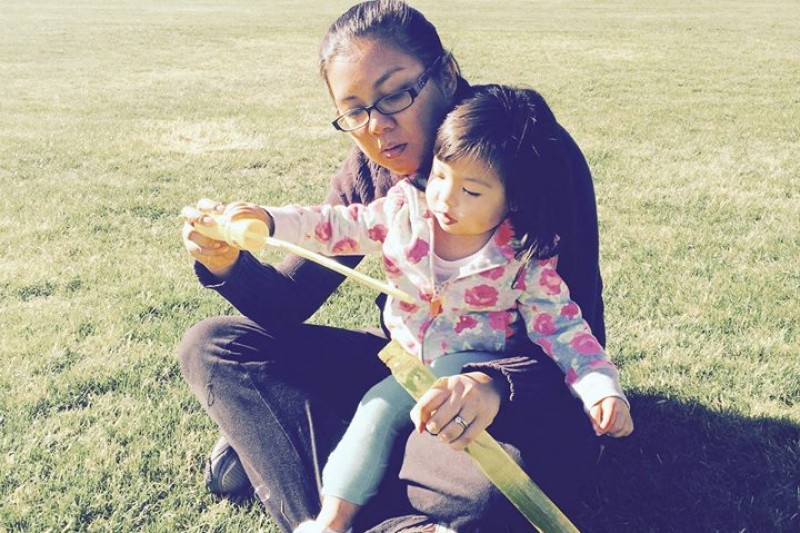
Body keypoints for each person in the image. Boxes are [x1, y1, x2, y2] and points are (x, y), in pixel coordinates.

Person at [179, 1, 626, 531]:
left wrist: (491, 385)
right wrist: (229, 263)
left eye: (394, 95)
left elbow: (573, 329)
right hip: (406, 365)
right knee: (214, 345)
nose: (377, 127)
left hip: (508, 389)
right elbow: (292, 295)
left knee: (488, 491)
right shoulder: (374, 173)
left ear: (447, 75)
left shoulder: (528, 150)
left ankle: (287, 449)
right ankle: (352, 508)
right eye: (354, 111)